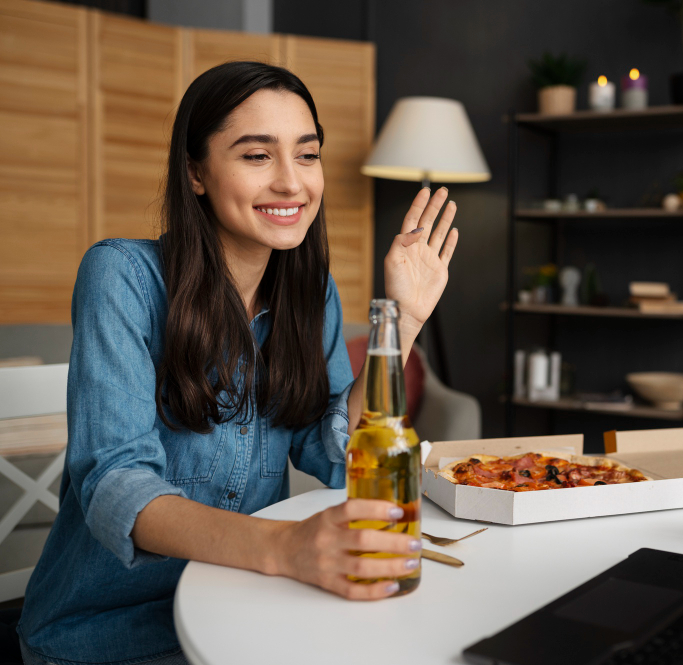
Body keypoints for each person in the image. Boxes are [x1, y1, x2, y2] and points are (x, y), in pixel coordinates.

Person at [17, 61, 459, 665]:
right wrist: (284, 547)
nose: (291, 183)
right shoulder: (121, 276)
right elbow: (116, 485)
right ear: (196, 172)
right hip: (110, 636)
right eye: (257, 156)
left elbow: (334, 447)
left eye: (307, 155)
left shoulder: (310, 291)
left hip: (247, 608)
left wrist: (401, 323)